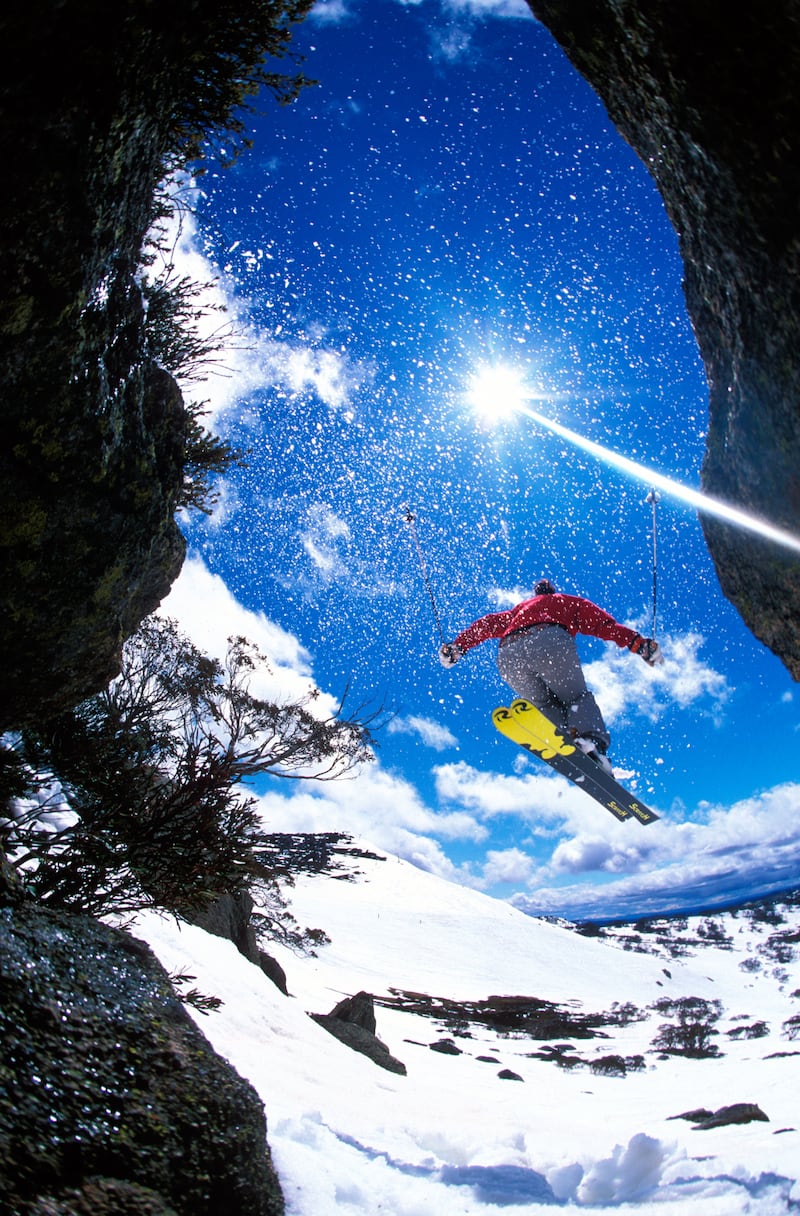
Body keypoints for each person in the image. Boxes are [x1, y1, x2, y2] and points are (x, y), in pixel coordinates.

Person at [439, 578, 662, 775]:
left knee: (545, 704)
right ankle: (590, 744)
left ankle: (562, 737)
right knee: (576, 698)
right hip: (549, 641)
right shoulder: (566, 601)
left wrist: (458, 647)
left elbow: (486, 624)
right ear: (552, 591)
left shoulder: (518, 611)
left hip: (508, 654)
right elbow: (604, 625)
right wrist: (638, 643)